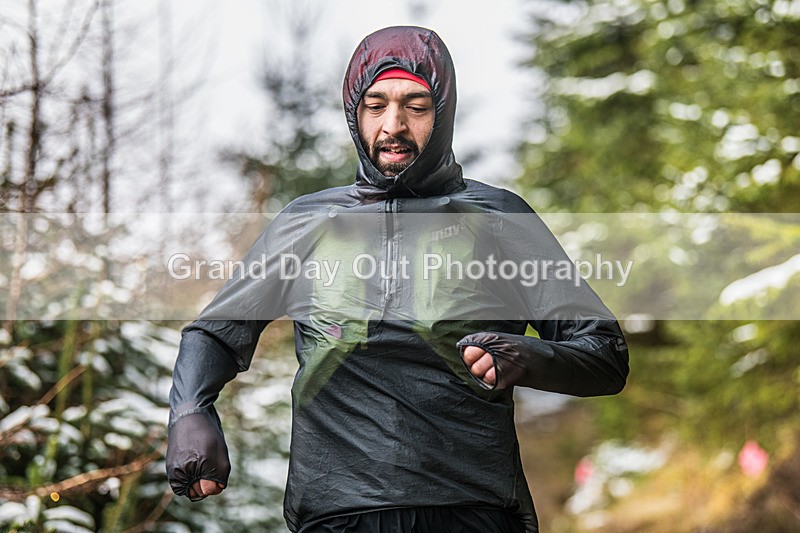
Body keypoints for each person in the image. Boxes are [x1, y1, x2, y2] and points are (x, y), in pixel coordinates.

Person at [166, 26, 629, 533]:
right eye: (376, 104)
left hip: (472, 510)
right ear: (354, 113)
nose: (394, 125)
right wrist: (191, 411)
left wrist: (527, 356)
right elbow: (214, 332)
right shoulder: (307, 222)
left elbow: (603, 354)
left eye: (416, 105)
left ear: (444, 112)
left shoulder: (498, 218)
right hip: (336, 514)